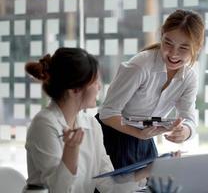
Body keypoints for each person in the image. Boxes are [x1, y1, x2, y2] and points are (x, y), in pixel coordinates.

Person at [25, 48, 147, 193]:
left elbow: (108, 184)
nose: (100, 87)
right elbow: (58, 190)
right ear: (74, 89)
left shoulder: (91, 124)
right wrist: (71, 151)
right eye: (95, 82)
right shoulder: (44, 124)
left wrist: (148, 171)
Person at [97, 9, 205, 169]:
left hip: (145, 139)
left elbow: (189, 119)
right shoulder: (140, 66)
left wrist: (185, 132)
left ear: (197, 48)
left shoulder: (189, 77)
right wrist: (139, 134)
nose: (173, 54)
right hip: (112, 137)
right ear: (161, 36)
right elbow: (107, 113)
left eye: (183, 48)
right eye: (168, 43)